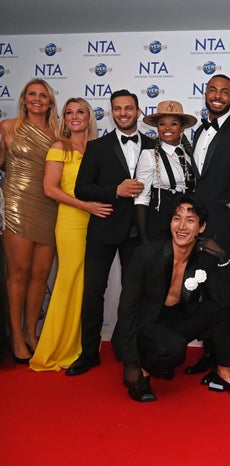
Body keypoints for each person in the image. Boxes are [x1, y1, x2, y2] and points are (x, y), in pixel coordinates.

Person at [111, 195, 230, 402]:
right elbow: (127, 307)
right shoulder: (146, 254)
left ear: (201, 227)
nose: (181, 226)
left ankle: (225, 373)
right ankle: (144, 369)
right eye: (176, 218)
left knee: (219, 310)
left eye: (190, 220)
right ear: (170, 223)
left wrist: (223, 260)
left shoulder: (205, 257)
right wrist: (131, 363)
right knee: (174, 349)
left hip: (175, 322)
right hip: (144, 325)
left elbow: (225, 302)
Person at [67, 89, 154, 376]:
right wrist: (114, 191)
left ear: (139, 111)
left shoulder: (154, 145)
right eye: (117, 108)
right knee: (93, 293)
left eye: (129, 108)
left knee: (135, 296)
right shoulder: (97, 147)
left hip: (138, 231)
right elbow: (82, 189)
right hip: (103, 227)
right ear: (111, 112)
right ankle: (89, 353)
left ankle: (132, 351)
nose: (123, 113)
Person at [30, 98, 112, 371]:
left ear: (89, 117)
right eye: (69, 113)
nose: (75, 117)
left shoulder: (99, 148)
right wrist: (86, 206)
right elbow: (50, 189)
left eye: (80, 112)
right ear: (64, 119)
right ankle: (59, 346)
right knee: (70, 281)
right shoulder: (59, 147)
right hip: (71, 222)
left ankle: (83, 345)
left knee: (88, 287)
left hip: (98, 222)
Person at [184, 74, 230, 376]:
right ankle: (207, 355)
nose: (218, 95)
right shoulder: (197, 130)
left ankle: (222, 362)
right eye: (213, 90)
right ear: (205, 94)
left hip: (224, 225)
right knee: (200, 291)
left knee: (221, 294)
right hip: (196, 224)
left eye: (224, 91)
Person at [0, 78, 59, 363]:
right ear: (23, 99)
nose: (37, 99)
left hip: (49, 206)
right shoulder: (7, 127)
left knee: (40, 276)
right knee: (19, 274)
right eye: (32, 94)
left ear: (50, 102)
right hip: (17, 205)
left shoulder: (58, 132)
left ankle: (30, 331)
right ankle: (13, 333)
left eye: (43, 96)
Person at [135, 100, 197, 243]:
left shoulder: (190, 154)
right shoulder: (148, 155)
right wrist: (145, 241)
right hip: (160, 223)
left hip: (187, 223)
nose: (167, 128)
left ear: (182, 128)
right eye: (162, 124)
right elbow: (141, 199)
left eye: (174, 123)